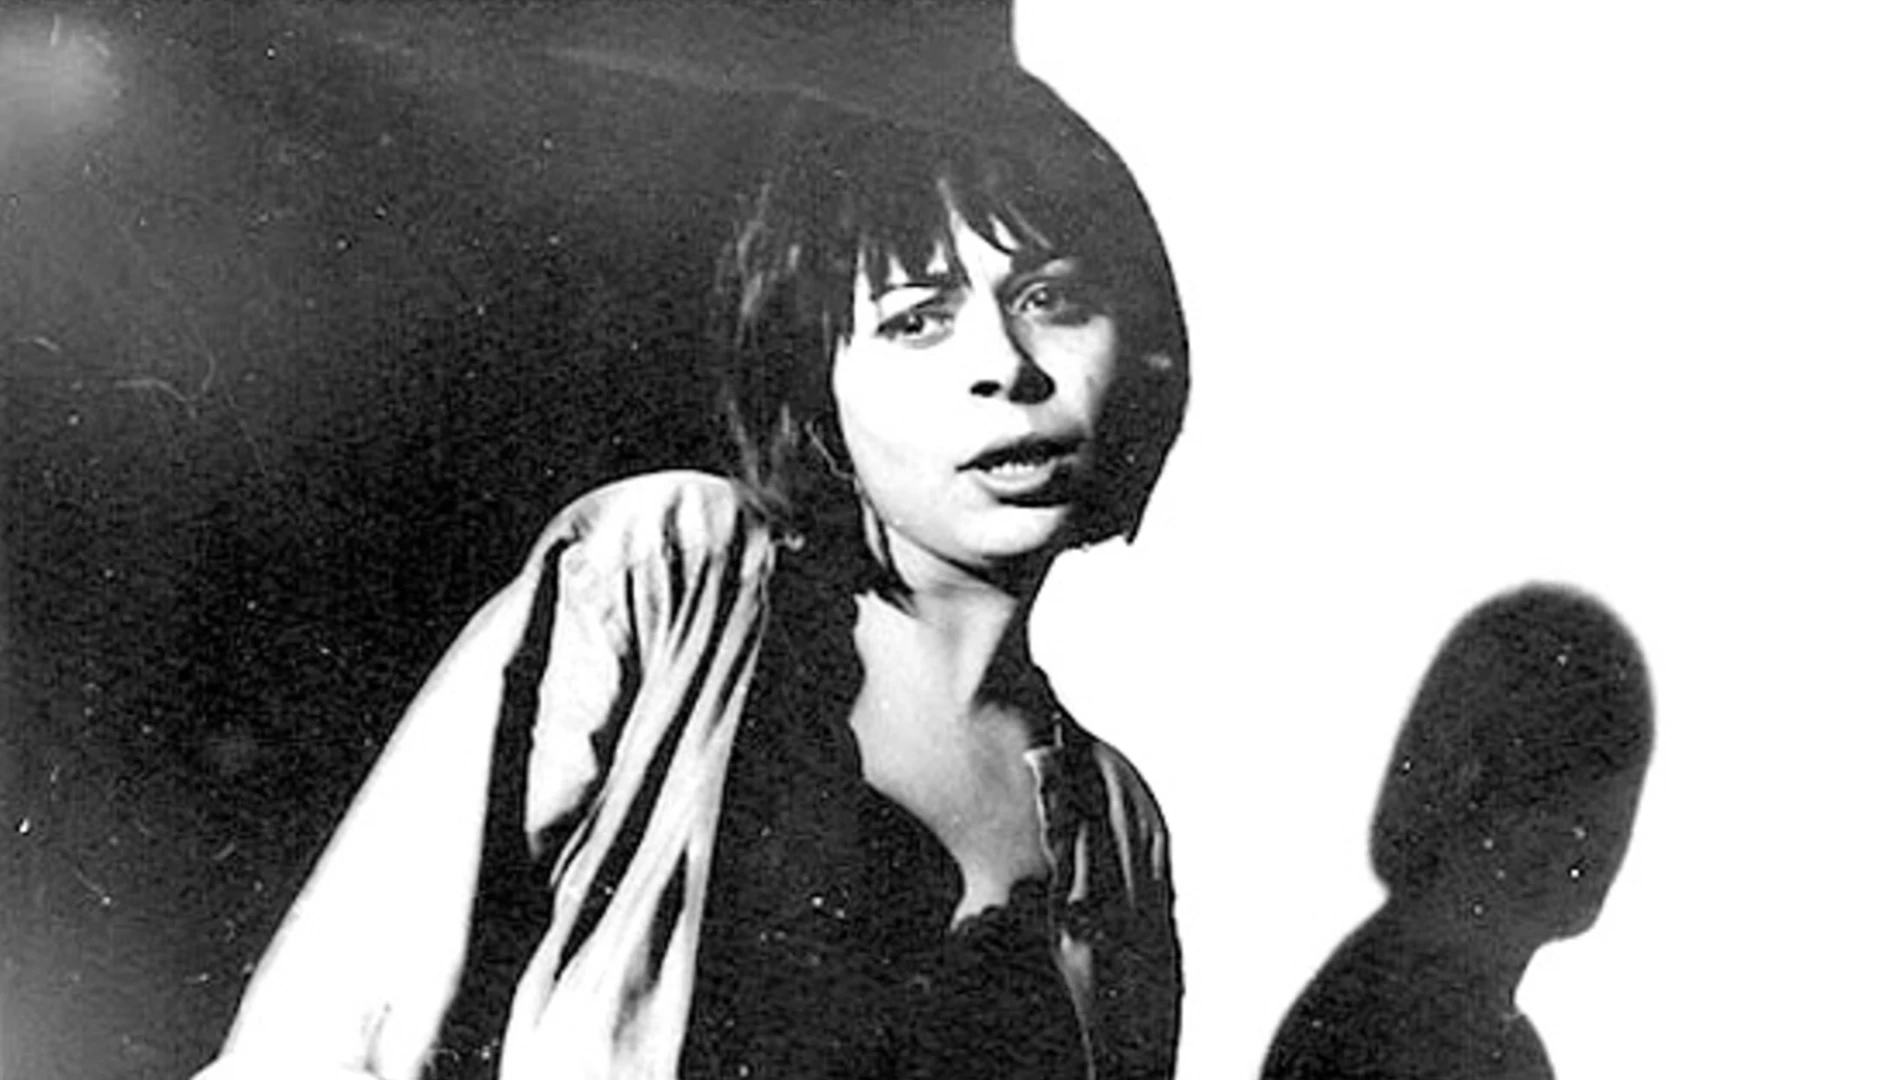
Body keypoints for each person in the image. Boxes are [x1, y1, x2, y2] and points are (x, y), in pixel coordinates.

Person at [190, 57, 1190, 1080]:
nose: (1006, 368)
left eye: (1050, 298)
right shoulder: (669, 572)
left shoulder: (1114, 825)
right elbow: (325, 1037)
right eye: (916, 320)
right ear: (817, 383)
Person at [1261, 584, 1653, 1080]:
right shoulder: (1404, 1027)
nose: (1591, 840)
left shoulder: (1460, 1022)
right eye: (1549, 789)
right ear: (1465, 784)